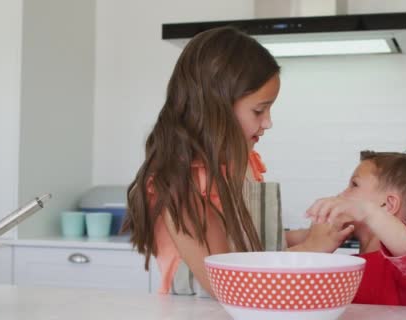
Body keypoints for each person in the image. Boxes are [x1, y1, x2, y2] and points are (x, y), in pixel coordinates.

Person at [122, 26, 353, 297]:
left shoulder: (237, 167)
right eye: (259, 110)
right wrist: (309, 250)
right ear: (215, 107)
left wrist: (310, 235)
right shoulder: (182, 186)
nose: (268, 122)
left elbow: (250, 243)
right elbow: (225, 282)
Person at [304, 151, 406, 306]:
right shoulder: (349, 263)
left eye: (354, 185)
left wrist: (367, 211)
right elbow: (287, 242)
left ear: (387, 205)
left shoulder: (404, 267)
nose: (341, 194)